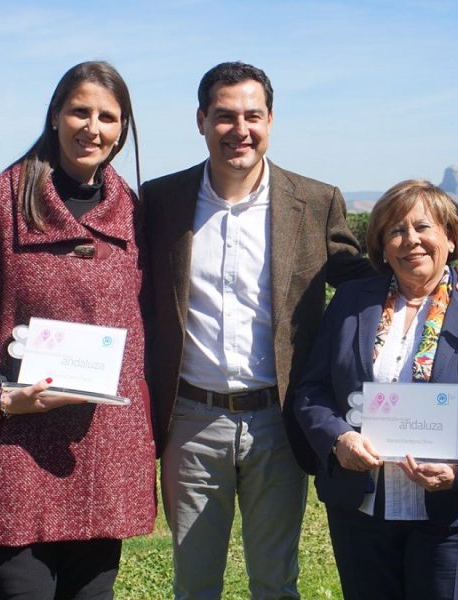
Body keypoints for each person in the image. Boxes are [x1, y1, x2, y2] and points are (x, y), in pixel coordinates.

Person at [142, 61, 374, 599]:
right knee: (195, 582)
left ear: (271, 120)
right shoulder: (160, 201)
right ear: (200, 120)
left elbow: (361, 281)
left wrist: (443, 277)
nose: (239, 129)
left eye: (252, 115)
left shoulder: (315, 202)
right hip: (191, 423)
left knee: (275, 581)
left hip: (278, 420)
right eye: (224, 116)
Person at [0, 61, 154, 599]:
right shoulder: (3, 201)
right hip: (12, 453)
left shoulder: (133, 213)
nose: (91, 128)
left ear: (122, 128)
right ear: (55, 116)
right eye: (79, 111)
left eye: (107, 117)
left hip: (100, 455)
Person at [292, 180, 458, 600]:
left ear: (452, 239)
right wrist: (337, 438)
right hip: (364, 512)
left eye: (424, 227)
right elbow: (312, 390)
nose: (411, 241)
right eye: (396, 231)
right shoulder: (351, 303)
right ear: (382, 247)